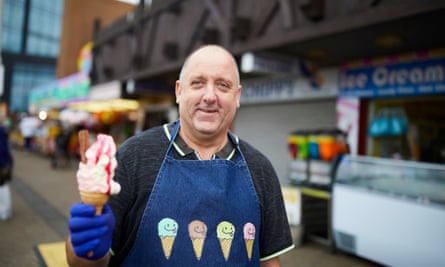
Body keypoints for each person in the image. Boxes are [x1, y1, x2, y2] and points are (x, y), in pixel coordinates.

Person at [66, 45, 294, 266]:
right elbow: (83, 263)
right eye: (198, 83)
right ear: (179, 91)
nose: (209, 96)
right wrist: (84, 247)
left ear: (237, 96)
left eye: (223, 85)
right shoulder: (133, 156)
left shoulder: (260, 169)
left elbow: (270, 262)